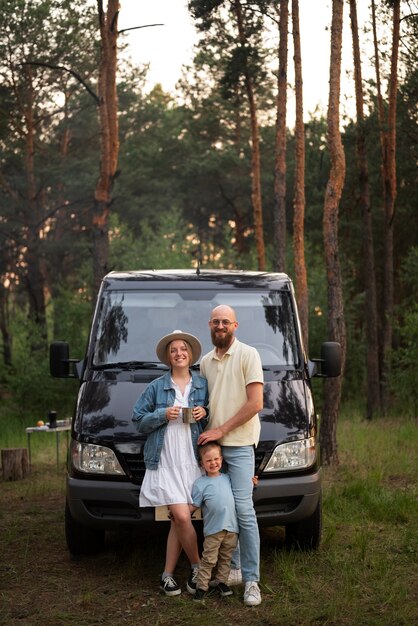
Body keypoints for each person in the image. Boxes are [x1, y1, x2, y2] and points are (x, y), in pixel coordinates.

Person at [132, 330, 208, 597]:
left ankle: (167, 575)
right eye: (174, 350)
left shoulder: (202, 384)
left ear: (190, 355)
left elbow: (215, 415)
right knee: (183, 516)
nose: (179, 353)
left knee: (177, 519)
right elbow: (138, 420)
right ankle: (199, 567)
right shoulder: (156, 386)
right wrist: (161, 414)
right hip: (166, 461)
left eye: (183, 349)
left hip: (193, 462)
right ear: (168, 356)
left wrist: (204, 412)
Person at [199, 305, 264, 607]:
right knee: (221, 508)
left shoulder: (248, 354)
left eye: (226, 321)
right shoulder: (204, 363)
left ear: (235, 325)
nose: (221, 325)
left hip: (238, 445)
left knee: (244, 511)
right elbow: (208, 403)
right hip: (213, 449)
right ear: (210, 325)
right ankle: (233, 568)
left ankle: (252, 579)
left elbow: (255, 403)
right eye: (216, 321)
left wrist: (221, 429)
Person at [190, 441, 239, 602]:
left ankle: (221, 582)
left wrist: (251, 483)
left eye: (216, 459)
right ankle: (202, 587)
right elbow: (194, 505)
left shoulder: (229, 478)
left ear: (222, 459)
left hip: (232, 527)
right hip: (213, 529)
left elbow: (241, 492)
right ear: (202, 464)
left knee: (226, 558)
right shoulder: (200, 484)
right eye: (209, 460)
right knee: (209, 559)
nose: (213, 463)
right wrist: (181, 513)